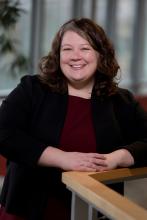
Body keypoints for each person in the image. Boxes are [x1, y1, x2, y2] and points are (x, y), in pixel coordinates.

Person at [0, 17, 147, 220]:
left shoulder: (121, 101)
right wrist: (63, 158)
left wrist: (116, 158)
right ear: (58, 55)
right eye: (67, 49)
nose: (75, 56)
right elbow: (4, 133)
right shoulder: (32, 89)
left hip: (94, 210)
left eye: (85, 48)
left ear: (100, 54)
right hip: (27, 209)